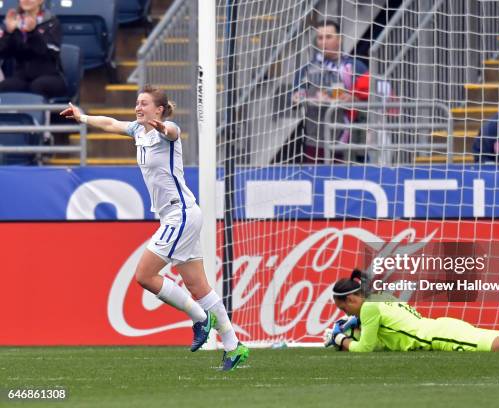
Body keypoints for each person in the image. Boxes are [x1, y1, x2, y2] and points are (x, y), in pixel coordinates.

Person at [60, 86, 249, 371]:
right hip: (178, 215)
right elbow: (111, 123)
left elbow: (173, 131)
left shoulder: (165, 130)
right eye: (137, 103)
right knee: (199, 286)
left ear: (158, 109)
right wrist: (82, 117)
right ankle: (234, 347)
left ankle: (200, 318)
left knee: (145, 275)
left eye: (144, 103)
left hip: (180, 214)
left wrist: (165, 128)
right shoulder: (138, 130)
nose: (139, 107)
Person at [325, 270, 499, 352]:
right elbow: (385, 337)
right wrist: (353, 324)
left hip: (440, 337)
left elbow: (364, 349)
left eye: (343, 307)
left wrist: (341, 339)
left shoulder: (370, 308)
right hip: (441, 327)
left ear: (351, 300)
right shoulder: (378, 297)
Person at [291, 20, 368, 162]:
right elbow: (296, 99)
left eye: (328, 37)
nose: (323, 42)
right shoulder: (307, 70)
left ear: (339, 39)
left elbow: (373, 103)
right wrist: (299, 97)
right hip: (316, 143)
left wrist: (354, 100)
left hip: (351, 142)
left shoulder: (356, 67)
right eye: (320, 38)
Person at [0, 0, 67, 99]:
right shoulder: (15, 21)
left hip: (49, 75)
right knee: (6, 86)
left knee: (38, 86)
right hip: (22, 77)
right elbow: (4, 53)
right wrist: (9, 32)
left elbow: (45, 51)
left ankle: (41, 115)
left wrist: (33, 32)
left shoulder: (52, 23)